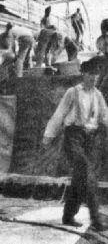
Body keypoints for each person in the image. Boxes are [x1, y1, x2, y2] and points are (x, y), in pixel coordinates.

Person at [42, 59, 108, 231]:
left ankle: (68, 215)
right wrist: (48, 136)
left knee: (80, 178)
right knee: (87, 175)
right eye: (90, 73)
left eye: (96, 74)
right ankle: (96, 219)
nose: (93, 77)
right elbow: (59, 114)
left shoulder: (98, 95)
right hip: (73, 138)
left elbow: (105, 117)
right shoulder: (73, 92)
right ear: (83, 74)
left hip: (90, 140)